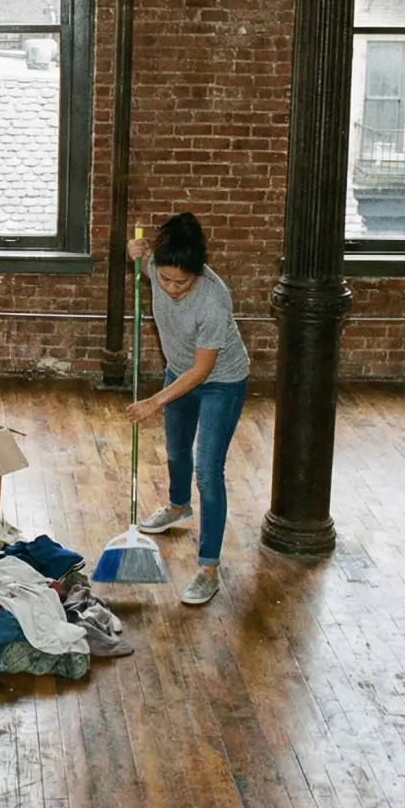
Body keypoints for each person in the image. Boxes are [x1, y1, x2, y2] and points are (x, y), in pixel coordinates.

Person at [124, 212, 251, 606]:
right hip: (178, 372)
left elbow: (203, 369)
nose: (172, 288)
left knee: (208, 469)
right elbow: (141, 255)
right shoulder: (157, 267)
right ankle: (179, 507)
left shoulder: (214, 300)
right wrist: (135, 253)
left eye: (182, 282)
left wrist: (153, 401)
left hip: (221, 382)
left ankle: (208, 568)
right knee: (177, 450)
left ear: (198, 273)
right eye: (164, 279)